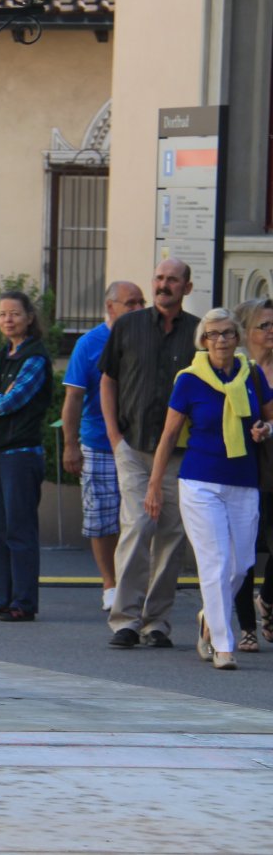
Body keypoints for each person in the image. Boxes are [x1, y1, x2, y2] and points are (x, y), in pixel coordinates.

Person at [146, 308, 273, 671]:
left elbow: (270, 416)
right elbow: (169, 434)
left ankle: (208, 617)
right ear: (203, 340)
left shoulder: (251, 374)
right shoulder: (189, 380)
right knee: (215, 563)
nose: (220, 340)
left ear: (237, 337)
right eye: (213, 334)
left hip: (244, 481)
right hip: (200, 482)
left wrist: (266, 429)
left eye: (227, 333)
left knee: (241, 564)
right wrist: (155, 484)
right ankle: (222, 644)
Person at [101, 259, 201, 649]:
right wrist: (114, 437)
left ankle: (156, 621)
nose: (163, 285)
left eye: (172, 280)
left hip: (179, 453)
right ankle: (125, 619)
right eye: (159, 278)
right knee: (139, 526)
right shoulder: (128, 326)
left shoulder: (198, 333)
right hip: (134, 446)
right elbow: (108, 380)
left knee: (171, 535)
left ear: (186, 288)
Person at [60, 280, 147, 612]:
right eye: (131, 303)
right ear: (111, 307)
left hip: (140, 444)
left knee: (138, 519)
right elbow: (73, 397)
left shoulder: (148, 338)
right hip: (98, 443)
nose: (138, 308)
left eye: (141, 302)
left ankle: (133, 581)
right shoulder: (89, 343)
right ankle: (109, 584)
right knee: (102, 517)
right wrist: (70, 445)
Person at [0, 290, 53, 622]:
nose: (8, 319)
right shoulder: (1, 356)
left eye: (15, 313)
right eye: (3, 314)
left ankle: (23, 602)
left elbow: (11, 401)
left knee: (19, 531)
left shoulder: (35, 359)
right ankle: (2, 598)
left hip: (20, 455)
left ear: (29, 317)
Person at [230, 298, 273, 652]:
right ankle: (246, 627)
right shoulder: (236, 369)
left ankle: (268, 598)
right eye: (265, 325)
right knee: (243, 551)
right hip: (243, 469)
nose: (272, 331)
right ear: (245, 332)